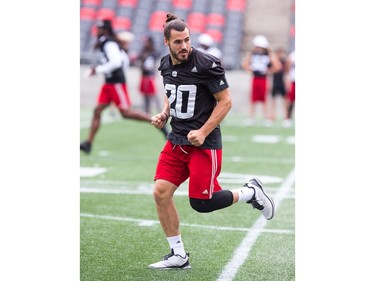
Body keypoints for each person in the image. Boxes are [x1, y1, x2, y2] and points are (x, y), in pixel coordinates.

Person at [148, 13, 275, 270]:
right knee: (161, 193)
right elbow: (171, 91)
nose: (184, 46)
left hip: (202, 144)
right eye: (178, 42)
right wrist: (165, 113)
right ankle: (178, 255)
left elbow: (225, 101)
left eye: (187, 40)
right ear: (166, 42)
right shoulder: (165, 64)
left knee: (202, 203)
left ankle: (251, 192)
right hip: (176, 140)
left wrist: (204, 131)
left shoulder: (206, 63)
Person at [80, 19, 168, 154]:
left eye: (99, 29)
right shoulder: (108, 42)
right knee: (97, 111)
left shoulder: (109, 43)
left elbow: (116, 62)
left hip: (116, 83)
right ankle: (88, 143)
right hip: (109, 83)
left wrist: (97, 70)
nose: (97, 31)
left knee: (126, 113)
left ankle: (156, 121)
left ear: (105, 29)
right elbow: (124, 60)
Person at [241, 35, 281, 126]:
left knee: (265, 99)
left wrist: (269, 71)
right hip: (255, 77)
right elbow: (245, 63)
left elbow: (277, 65)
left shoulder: (269, 54)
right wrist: (249, 69)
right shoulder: (252, 54)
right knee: (253, 98)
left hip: (264, 78)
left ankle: (266, 117)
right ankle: (251, 117)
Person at [137, 35, 162, 114]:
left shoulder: (153, 52)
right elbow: (140, 61)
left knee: (153, 94)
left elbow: (152, 64)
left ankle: (160, 109)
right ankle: (146, 110)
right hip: (144, 75)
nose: (145, 43)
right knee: (145, 94)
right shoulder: (143, 51)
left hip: (150, 76)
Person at [269, 47, 287, 123]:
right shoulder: (273, 62)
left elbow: (286, 72)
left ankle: (286, 116)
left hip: (282, 82)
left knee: (284, 101)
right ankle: (272, 116)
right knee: (273, 100)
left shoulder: (284, 62)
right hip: (275, 82)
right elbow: (271, 71)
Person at [283, 49, 295, 127]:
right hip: (293, 80)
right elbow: (287, 69)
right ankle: (288, 118)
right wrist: (287, 80)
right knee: (290, 100)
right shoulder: (293, 55)